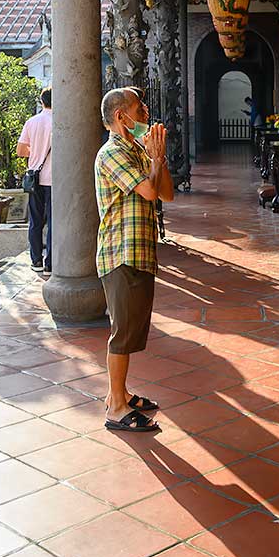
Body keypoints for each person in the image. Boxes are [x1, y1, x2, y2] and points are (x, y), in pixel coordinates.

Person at [95, 86, 174, 433]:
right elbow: (148, 190)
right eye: (138, 108)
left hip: (140, 249)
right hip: (120, 250)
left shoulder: (137, 151)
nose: (145, 112)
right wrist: (154, 158)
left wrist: (160, 157)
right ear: (120, 117)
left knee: (132, 329)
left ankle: (121, 392)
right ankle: (115, 405)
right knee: (122, 332)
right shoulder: (112, 153)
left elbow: (166, 193)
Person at [16, 87, 52, 275]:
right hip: (56, 179)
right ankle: (50, 264)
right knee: (54, 221)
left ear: (42, 101)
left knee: (35, 221)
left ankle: (36, 260)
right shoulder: (61, 121)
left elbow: (21, 151)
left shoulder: (32, 121)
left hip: (35, 178)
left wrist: (35, 151)